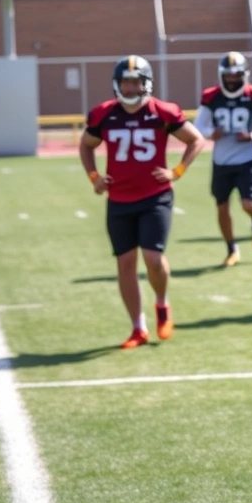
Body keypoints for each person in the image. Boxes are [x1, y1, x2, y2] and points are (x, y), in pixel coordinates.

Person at [79, 55, 206, 349]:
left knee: (152, 258)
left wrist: (177, 171)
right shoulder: (104, 114)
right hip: (119, 199)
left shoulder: (162, 111)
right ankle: (138, 327)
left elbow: (196, 140)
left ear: (146, 83)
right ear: (117, 84)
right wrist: (94, 176)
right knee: (125, 264)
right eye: (126, 81)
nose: (132, 87)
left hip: (154, 197)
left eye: (136, 82)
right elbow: (86, 146)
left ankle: (162, 304)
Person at [194, 51, 252, 267]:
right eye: (229, 76)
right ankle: (232, 248)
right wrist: (211, 132)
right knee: (222, 206)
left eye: (237, 76)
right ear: (222, 76)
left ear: (244, 75)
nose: (232, 80)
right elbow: (198, 126)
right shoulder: (211, 96)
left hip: (248, 157)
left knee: (249, 204)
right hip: (222, 160)